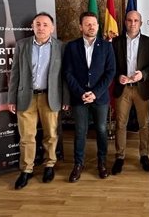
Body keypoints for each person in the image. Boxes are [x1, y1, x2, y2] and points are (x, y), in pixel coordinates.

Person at [7, 12, 68, 190]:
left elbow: (64, 75)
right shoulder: (22, 45)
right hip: (26, 97)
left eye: (45, 24)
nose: (41, 28)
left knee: (51, 134)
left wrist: (65, 97)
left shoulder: (60, 47)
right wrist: (11, 98)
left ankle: (49, 165)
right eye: (38, 24)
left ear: (52, 28)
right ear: (32, 27)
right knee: (27, 136)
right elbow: (15, 74)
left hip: (51, 96)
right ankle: (26, 170)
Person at [63, 12, 116, 182]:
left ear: (98, 26)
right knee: (80, 131)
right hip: (79, 97)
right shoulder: (71, 47)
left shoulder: (107, 47)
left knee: (101, 130)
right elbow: (68, 73)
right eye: (87, 24)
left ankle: (102, 162)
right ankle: (78, 164)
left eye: (94, 24)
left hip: (99, 98)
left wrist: (95, 93)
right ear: (81, 27)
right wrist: (81, 93)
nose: (91, 27)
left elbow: (110, 72)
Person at [111, 10, 149, 175]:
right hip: (123, 89)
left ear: (141, 23)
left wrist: (143, 74)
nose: (132, 23)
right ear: (125, 22)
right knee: (121, 124)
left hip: (141, 88)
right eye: (129, 20)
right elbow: (110, 65)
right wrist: (118, 76)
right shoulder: (115, 42)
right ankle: (119, 156)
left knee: (144, 124)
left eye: (136, 20)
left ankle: (144, 155)